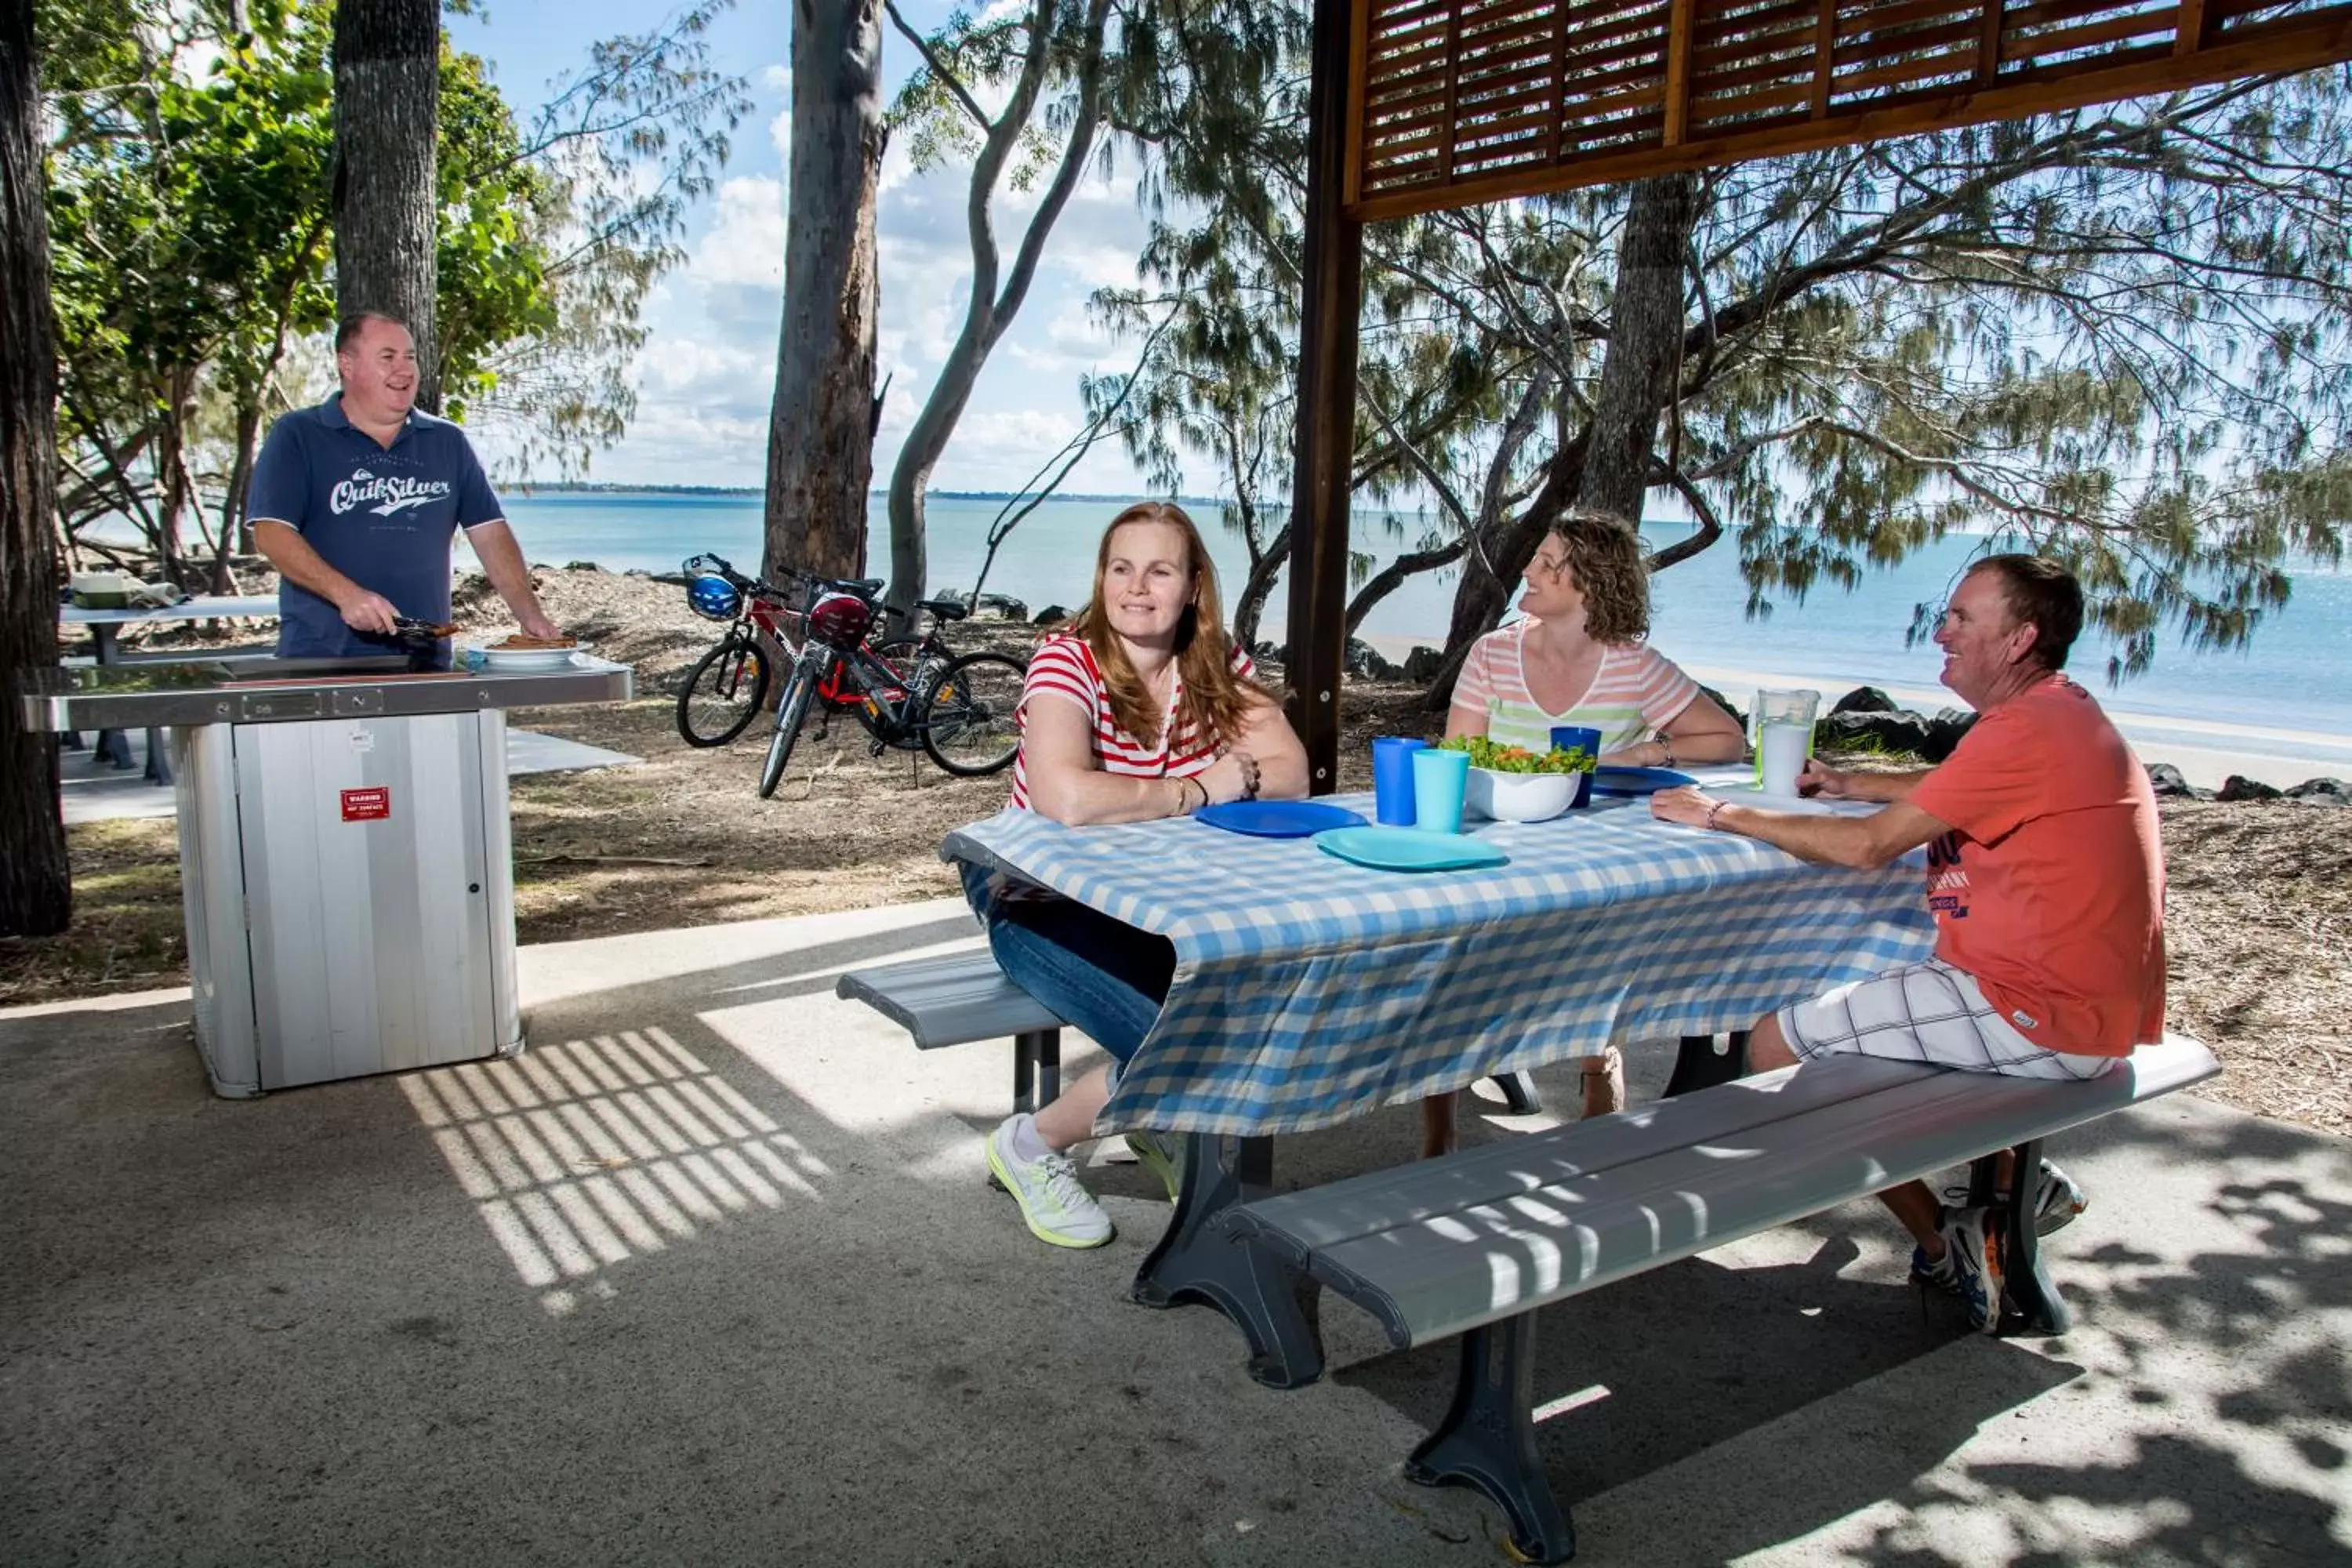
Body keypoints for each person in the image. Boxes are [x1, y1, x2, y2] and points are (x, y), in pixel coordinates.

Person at [1648, 554, 2165, 1332]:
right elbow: (1956, 788)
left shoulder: (2026, 728)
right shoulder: (2055, 714)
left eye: (1963, 618)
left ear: (2022, 637)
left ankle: (1946, 1236)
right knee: (1871, 1003)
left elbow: (1867, 850)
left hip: (2035, 1011)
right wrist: (1853, 785)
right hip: (2076, 1003)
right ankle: (2016, 1183)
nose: (1942, 630)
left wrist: (1721, 814)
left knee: (1775, 1044)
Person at [973, 501, 1310, 1248]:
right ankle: (1029, 1146)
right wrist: (1198, 789)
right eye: (1120, 568)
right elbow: (1067, 798)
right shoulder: (1068, 658)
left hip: (1159, 898)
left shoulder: (1214, 663)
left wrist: (1192, 789)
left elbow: (1291, 775)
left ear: (1193, 586)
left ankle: (1151, 1117)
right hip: (1035, 894)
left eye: (1159, 570)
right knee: (1182, 1036)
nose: (1136, 587)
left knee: (1246, 1000)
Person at [1428, 507, 1745, 1148]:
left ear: (1591, 585)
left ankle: (1599, 1068)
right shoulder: (1492, 654)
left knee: (1596, 945)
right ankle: (1437, 1130)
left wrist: (1644, 753)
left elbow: (1726, 741)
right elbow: (1455, 759)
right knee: (1448, 958)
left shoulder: (1633, 666)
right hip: (1499, 850)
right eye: (1536, 557)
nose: (1529, 568)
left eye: (1548, 563)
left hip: (1592, 859)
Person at [247, 312, 558, 666]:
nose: (405, 369)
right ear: (347, 365)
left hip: (424, 662)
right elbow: (271, 532)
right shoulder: (298, 434)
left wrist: (529, 614)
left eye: (410, 357)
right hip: (321, 660)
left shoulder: (447, 442)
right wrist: (346, 595)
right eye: (388, 357)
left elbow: (489, 533)